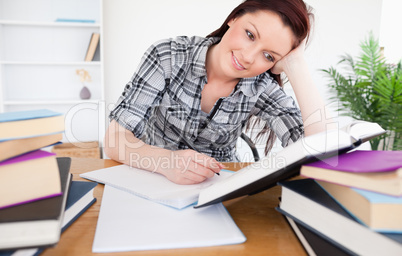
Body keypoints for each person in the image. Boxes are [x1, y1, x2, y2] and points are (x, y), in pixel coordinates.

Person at [104, 0, 329, 185]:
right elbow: (115, 139)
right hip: (151, 177)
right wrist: (167, 162)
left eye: (269, 56)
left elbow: (318, 154)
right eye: (250, 34)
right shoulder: (168, 57)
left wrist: (296, 65)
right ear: (234, 17)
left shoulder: (260, 87)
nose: (249, 57)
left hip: (217, 187)